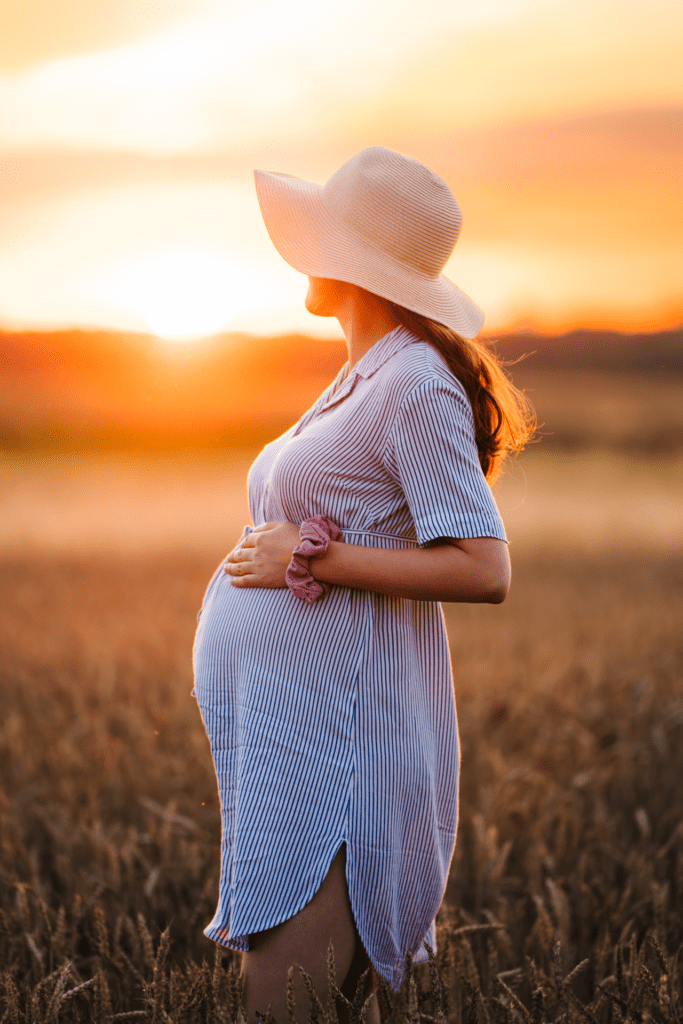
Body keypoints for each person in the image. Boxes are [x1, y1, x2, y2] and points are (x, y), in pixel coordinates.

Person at [192, 146, 534, 1022]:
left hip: (340, 751)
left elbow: (482, 567)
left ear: (350, 260)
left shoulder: (414, 384)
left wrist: (308, 559)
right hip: (295, 737)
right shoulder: (364, 373)